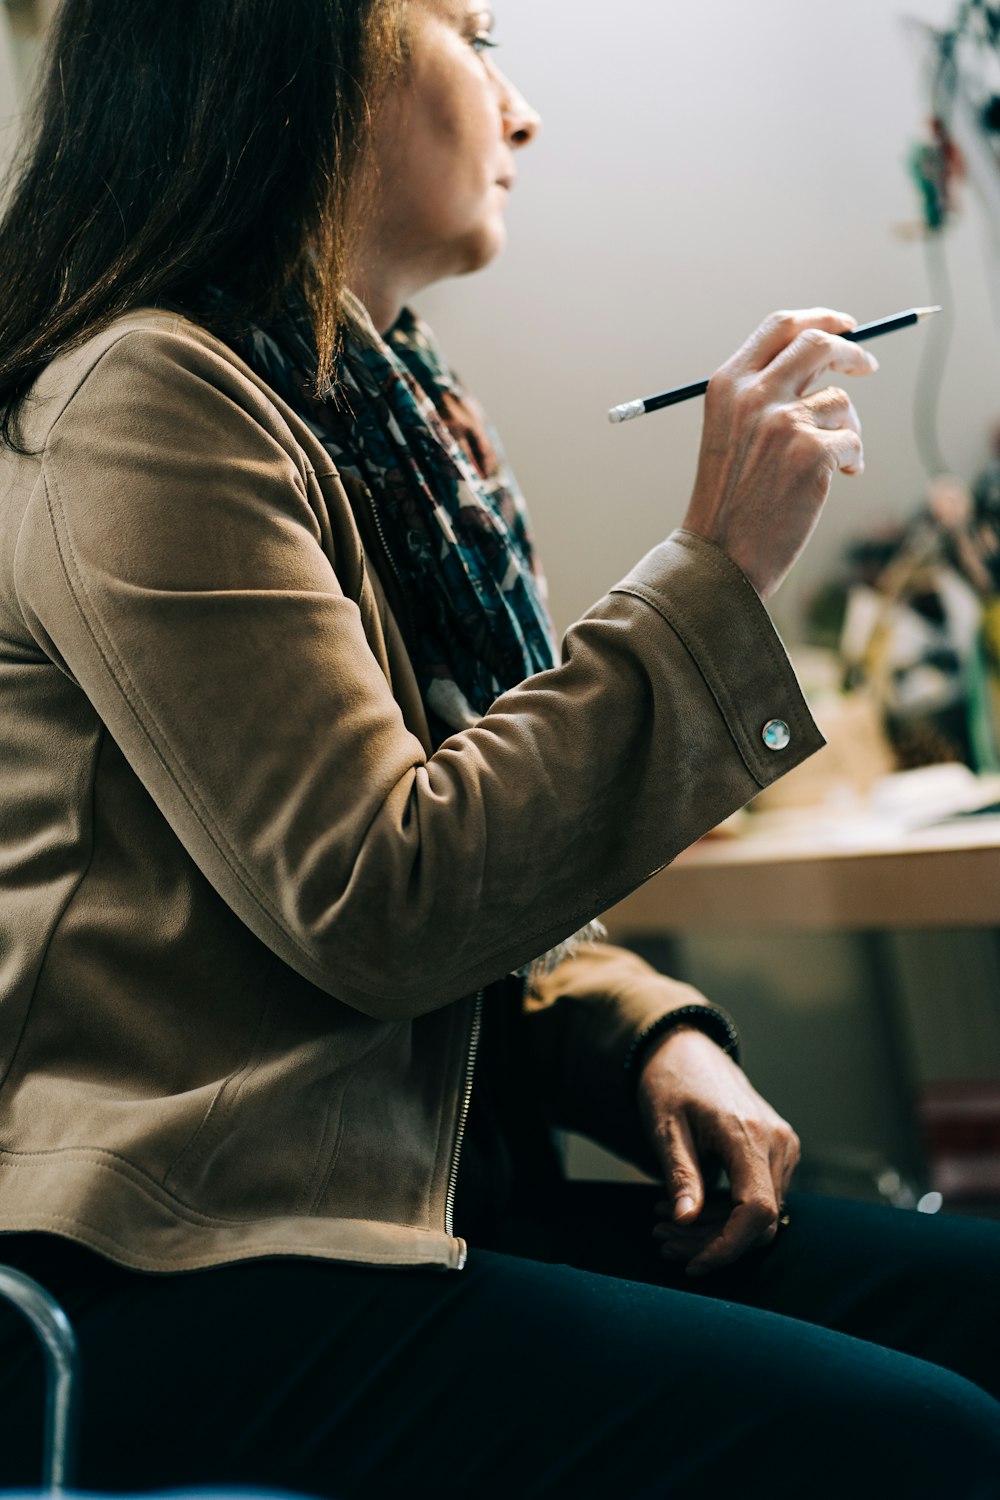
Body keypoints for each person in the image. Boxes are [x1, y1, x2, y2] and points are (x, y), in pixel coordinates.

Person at [0, 2, 997, 1496]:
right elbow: (388, 897)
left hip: (413, 1204)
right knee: (934, 1446)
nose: (523, 115)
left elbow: (471, 850)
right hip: (191, 1261)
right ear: (297, 51)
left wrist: (643, 1028)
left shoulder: (387, 418)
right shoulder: (141, 402)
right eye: (478, 36)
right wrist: (713, 565)